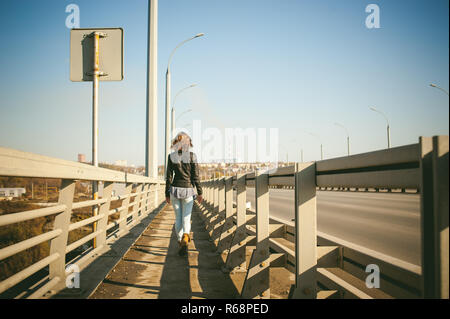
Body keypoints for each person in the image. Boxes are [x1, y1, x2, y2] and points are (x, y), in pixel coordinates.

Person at [165, 131, 203, 256]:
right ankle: (186, 237)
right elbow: (195, 176)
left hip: (175, 190)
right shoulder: (192, 156)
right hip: (188, 190)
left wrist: (167, 193)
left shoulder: (171, 156)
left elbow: (169, 177)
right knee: (187, 218)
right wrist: (199, 192)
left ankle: (181, 240)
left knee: (178, 218)